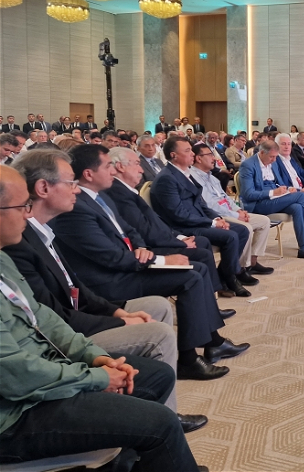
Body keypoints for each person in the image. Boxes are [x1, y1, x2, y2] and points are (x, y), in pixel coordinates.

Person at [0, 168, 207, 470]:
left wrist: (95, 357)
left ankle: (134, 460)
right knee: (159, 423)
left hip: (41, 375)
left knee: (158, 376)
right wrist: (95, 378)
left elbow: (43, 318)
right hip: (14, 414)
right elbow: (15, 374)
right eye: (22, 206)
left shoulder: (3, 257)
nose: (28, 214)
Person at [49, 145, 247, 379]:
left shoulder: (98, 197)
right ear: (89, 174)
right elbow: (110, 257)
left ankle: (212, 342)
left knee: (197, 269)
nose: (113, 171)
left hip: (129, 263)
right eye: (108, 166)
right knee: (191, 277)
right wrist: (160, 259)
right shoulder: (77, 209)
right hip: (109, 281)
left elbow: (128, 229)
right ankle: (189, 359)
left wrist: (142, 248)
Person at [105, 147, 241, 300]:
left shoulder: (127, 190)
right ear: (120, 167)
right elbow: (146, 229)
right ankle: (212, 294)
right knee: (207, 251)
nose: (141, 170)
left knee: (213, 239)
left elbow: (157, 221)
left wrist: (181, 237)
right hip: (161, 238)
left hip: (175, 229)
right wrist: (180, 241)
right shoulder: (124, 191)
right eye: (137, 164)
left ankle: (219, 287)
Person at [150, 137, 259, 294]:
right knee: (230, 236)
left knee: (241, 230)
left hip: (197, 220)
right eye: (187, 151)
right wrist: (212, 223)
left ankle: (224, 273)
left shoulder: (185, 173)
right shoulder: (166, 178)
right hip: (183, 226)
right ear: (174, 155)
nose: (192, 154)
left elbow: (201, 204)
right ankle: (230, 277)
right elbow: (178, 214)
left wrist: (217, 218)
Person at [238, 141, 304, 259]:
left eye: (275, 157)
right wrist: (273, 192)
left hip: (274, 198)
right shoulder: (248, 165)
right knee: (301, 196)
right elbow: (248, 194)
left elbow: (278, 183)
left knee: (297, 207)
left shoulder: (272, 162)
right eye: (271, 157)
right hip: (257, 204)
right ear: (261, 153)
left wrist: (288, 189)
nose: (274, 160)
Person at [190, 143, 276, 276]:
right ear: (198, 158)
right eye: (210, 155)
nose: (214, 158)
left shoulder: (211, 177)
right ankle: (241, 267)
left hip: (229, 211)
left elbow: (226, 197)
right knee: (246, 227)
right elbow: (210, 206)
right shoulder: (193, 178)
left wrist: (238, 210)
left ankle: (252, 262)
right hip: (217, 216)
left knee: (264, 221)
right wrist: (235, 215)